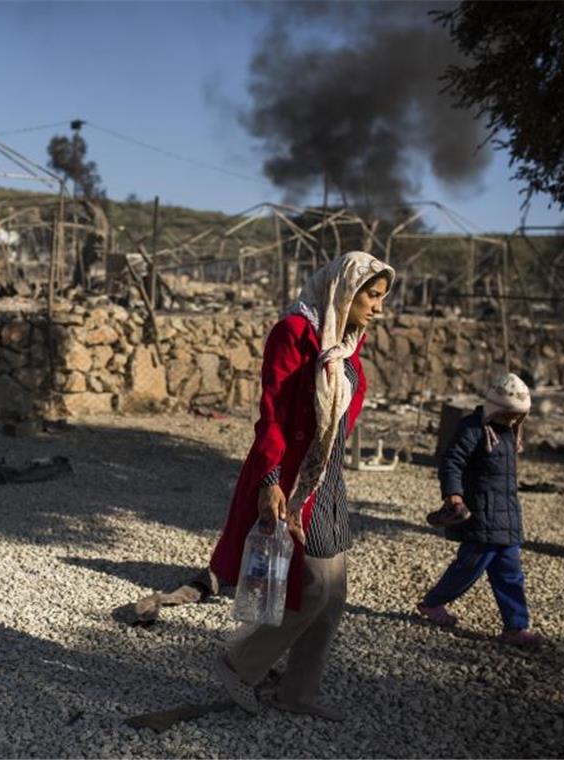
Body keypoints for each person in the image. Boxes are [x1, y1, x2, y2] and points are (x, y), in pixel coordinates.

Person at [209, 250, 395, 720]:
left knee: (333, 598)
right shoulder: (294, 332)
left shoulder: (346, 342)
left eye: (380, 298)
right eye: (371, 295)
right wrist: (270, 479)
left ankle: (299, 692)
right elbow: (271, 412)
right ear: (344, 290)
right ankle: (239, 665)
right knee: (309, 590)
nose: (377, 306)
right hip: (292, 481)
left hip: (327, 480)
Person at [416, 372, 544, 647]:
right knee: (468, 567)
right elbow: (452, 463)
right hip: (480, 515)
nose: (511, 420)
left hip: (505, 517)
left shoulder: (508, 433)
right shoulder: (472, 428)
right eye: (507, 414)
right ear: (495, 408)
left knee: (511, 573)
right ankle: (432, 603)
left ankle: (515, 626)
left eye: (516, 416)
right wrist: (454, 496)